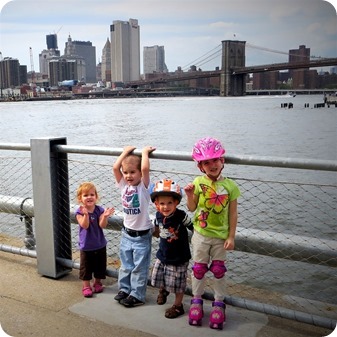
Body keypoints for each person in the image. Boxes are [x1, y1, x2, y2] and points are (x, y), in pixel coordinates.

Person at [184, 137, 241, 330]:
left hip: (220, 237)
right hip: (200, 234)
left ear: (222, 161)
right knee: (198, 269)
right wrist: (190, 195)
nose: (212, 165)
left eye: (215, 160)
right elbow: (192, 208)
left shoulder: (231, 186)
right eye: (206, 162)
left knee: (218, 270)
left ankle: (219, 304)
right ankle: (196, 301)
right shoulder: (198, 182)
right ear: (200, 166)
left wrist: (231, 236)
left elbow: (233, 213)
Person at [113, 145, 156, 307]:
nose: (128, 176)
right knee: (126, 265)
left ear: (139, 173)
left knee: (139, 267)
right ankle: (124, 289)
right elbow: (115, 167)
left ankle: (137, 295)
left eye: (132, 172)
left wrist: (144, 153)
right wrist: (125, 152)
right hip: (126, 233)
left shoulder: (143, 188)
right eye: (126, 172)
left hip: (142, 235)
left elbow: (145, 168)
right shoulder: (124, 186)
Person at [150, 179, 194, 319]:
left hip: (179, 256)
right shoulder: (158, 215)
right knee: (157, 275)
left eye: (170, 203)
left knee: (177, 284)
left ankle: (178, 305)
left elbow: (192, 226)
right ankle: (164, 290)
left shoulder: (181, 216)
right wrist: (154, 231)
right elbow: (157, 228)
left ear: (176, 202)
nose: (165, 207)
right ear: (156, 204)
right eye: (161, 203)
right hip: (163, 253)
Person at [75, 182, 115, 298]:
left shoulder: (99, 210)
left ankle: (97, 282)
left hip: (100, 244)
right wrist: (86, 215)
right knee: (86, 268)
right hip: (87, 246)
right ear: (80, 198)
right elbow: (85, 225)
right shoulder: (79, 212)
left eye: (92, 194)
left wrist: (105, 216)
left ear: (96, 197)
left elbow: (102, 225)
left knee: (99, 266)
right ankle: (86, 285)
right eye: (86, 195)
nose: (89, 197)